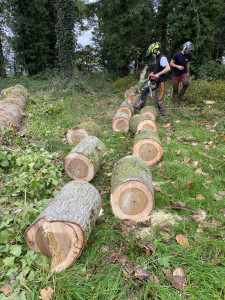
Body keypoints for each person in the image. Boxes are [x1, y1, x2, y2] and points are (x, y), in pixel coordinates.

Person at [133, 42, 171, 116]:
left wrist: (158, 74)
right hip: (155, 81)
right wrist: (153, 73)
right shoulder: (158, 59)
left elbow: (168, 68)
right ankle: (140, 106)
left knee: (158, 100)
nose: (152, 55)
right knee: (144, 90)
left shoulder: (162, 58)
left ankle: (165, 114)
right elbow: (159, 69)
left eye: (152, 53)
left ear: (155, 51)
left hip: (160, 82)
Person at [170, 41, 194, 106]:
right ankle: (175, 100)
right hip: (175, 74)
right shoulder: (176, 55)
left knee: (186, 83)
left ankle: (181, 94)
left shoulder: (188, 56)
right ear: (184, 48)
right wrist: (177, 66)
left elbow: (188, 64)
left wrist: (188, 72)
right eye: (187, 50)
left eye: (189, 50)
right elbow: (171, 63)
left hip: (183, 73)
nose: (188, 51)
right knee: (175, 88)